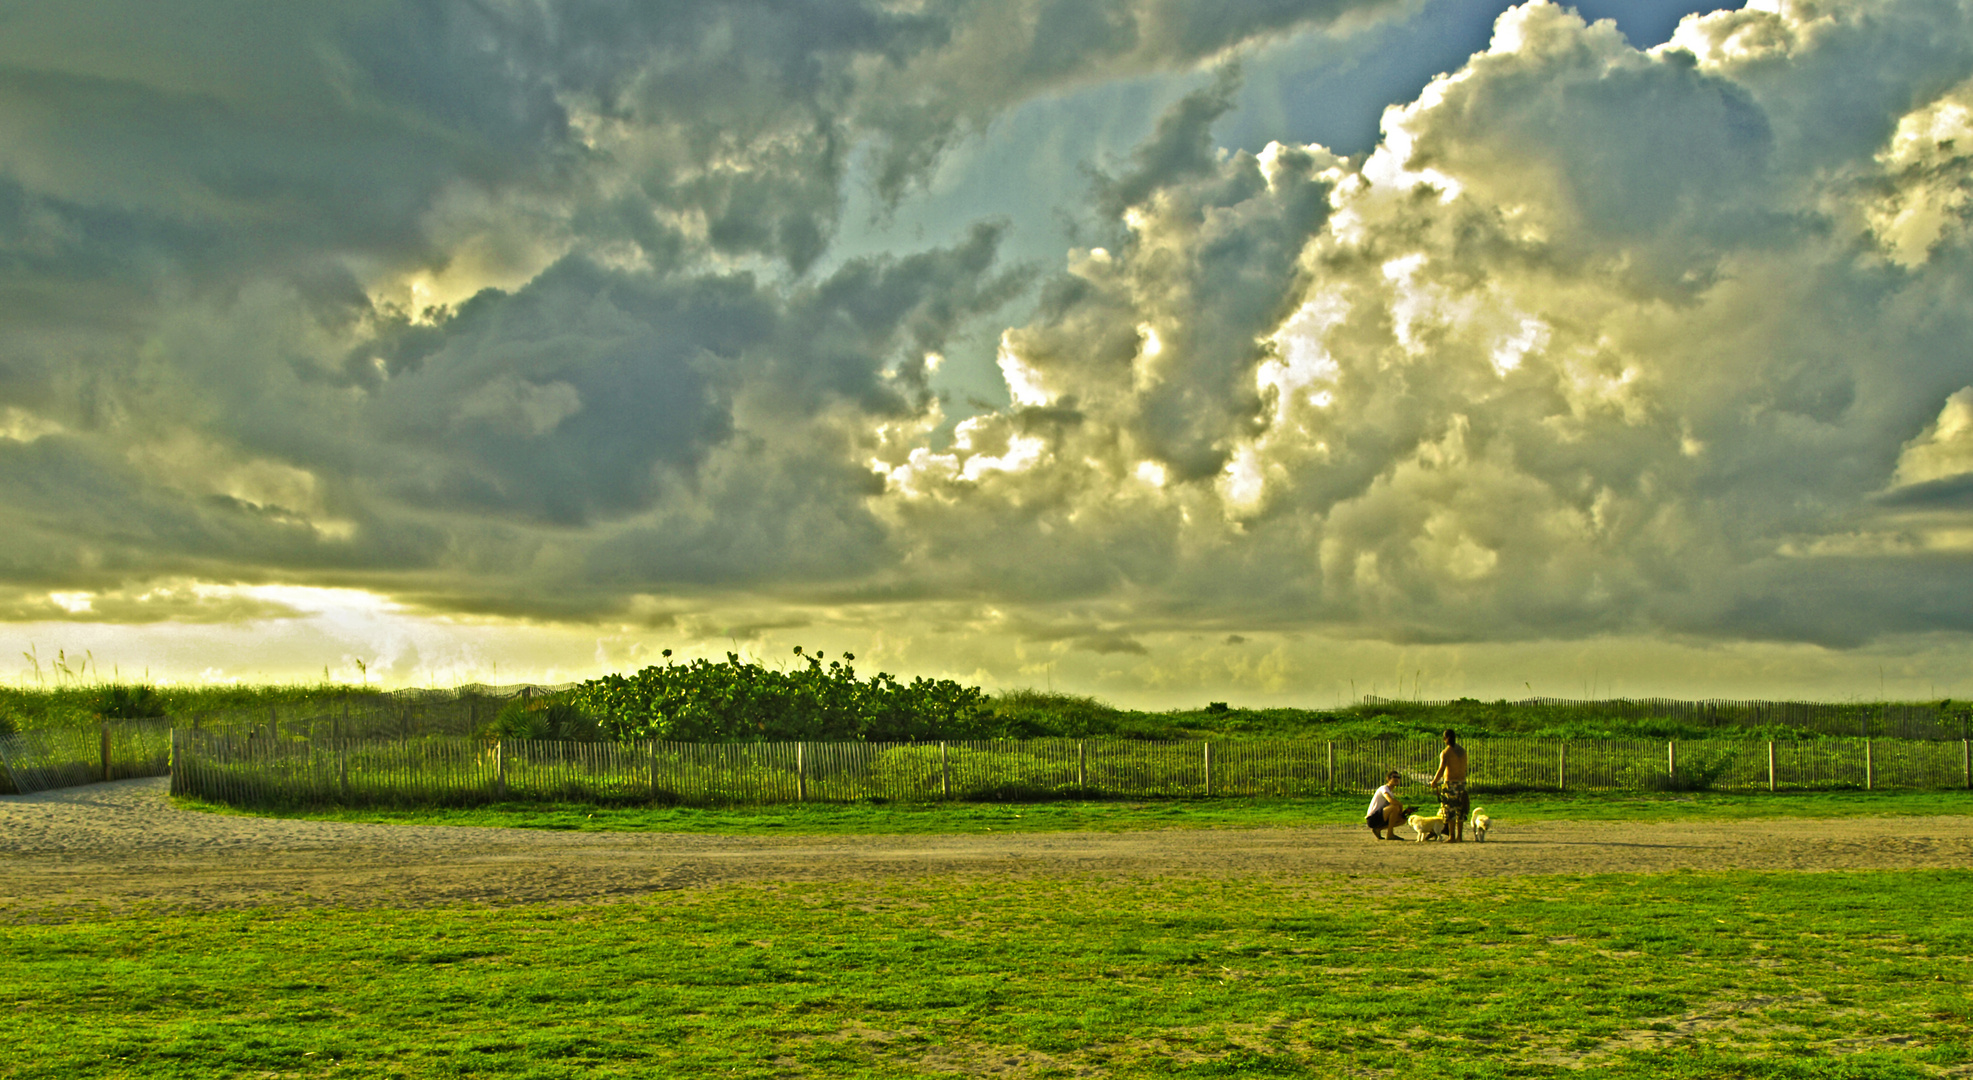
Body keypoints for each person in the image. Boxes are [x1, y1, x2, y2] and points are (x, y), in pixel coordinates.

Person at [1432, 728, 1470, 842]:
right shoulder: (1462, 751)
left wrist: (1434, 781)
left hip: (1450, 784)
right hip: (1462, 783)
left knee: (1450, 809)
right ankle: (1459, 836)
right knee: (1460, 809)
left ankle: (1452, 836)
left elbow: (1442, 768)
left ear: (1445, 739)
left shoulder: (1446, 752)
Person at [1364, 770, 1408, 840]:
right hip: (1372, 818)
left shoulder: (1391, 793)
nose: (1396, 779)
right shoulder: (1384, 788)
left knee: (1402, 819)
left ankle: (1378, 829)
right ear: (1388, 778)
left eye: (1398, 777)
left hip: (1381, 816)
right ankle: (1390, 834)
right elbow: (1390, 801)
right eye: (1394, 777)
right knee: (1395, 807)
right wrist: (1400, 805)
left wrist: (1401, 813)